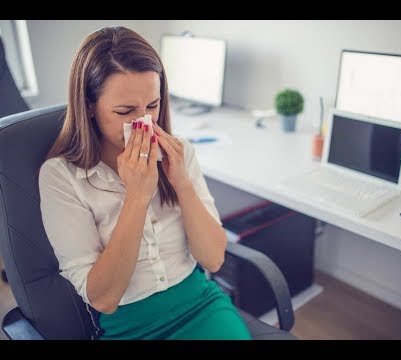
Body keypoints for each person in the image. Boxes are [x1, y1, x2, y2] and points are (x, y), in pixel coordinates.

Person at [38, 26, 252, 340]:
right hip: (131, 326)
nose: (145, 123)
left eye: (152, 106)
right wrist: (137, 195)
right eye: (125, 111)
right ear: (88, 105)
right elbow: (104, 298)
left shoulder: (180, 153)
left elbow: (213, 259)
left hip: (200, 303)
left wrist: (182, 183)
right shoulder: (60, 176)